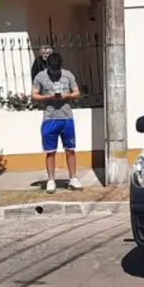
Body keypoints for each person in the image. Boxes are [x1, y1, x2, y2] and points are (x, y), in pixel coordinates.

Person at [31, 53, 83, 192]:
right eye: (53, 70)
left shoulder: (68, 75)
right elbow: (34, 94)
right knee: (50, 152)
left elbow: (77, 92)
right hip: (50, 119)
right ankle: (51, 180)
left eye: (57, 70)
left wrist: (67, 95)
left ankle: (73, 178)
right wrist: (47, 97)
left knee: (70, 150)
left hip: (66, 118)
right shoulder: (40, 77)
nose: (55, 73)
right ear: (48, 66)